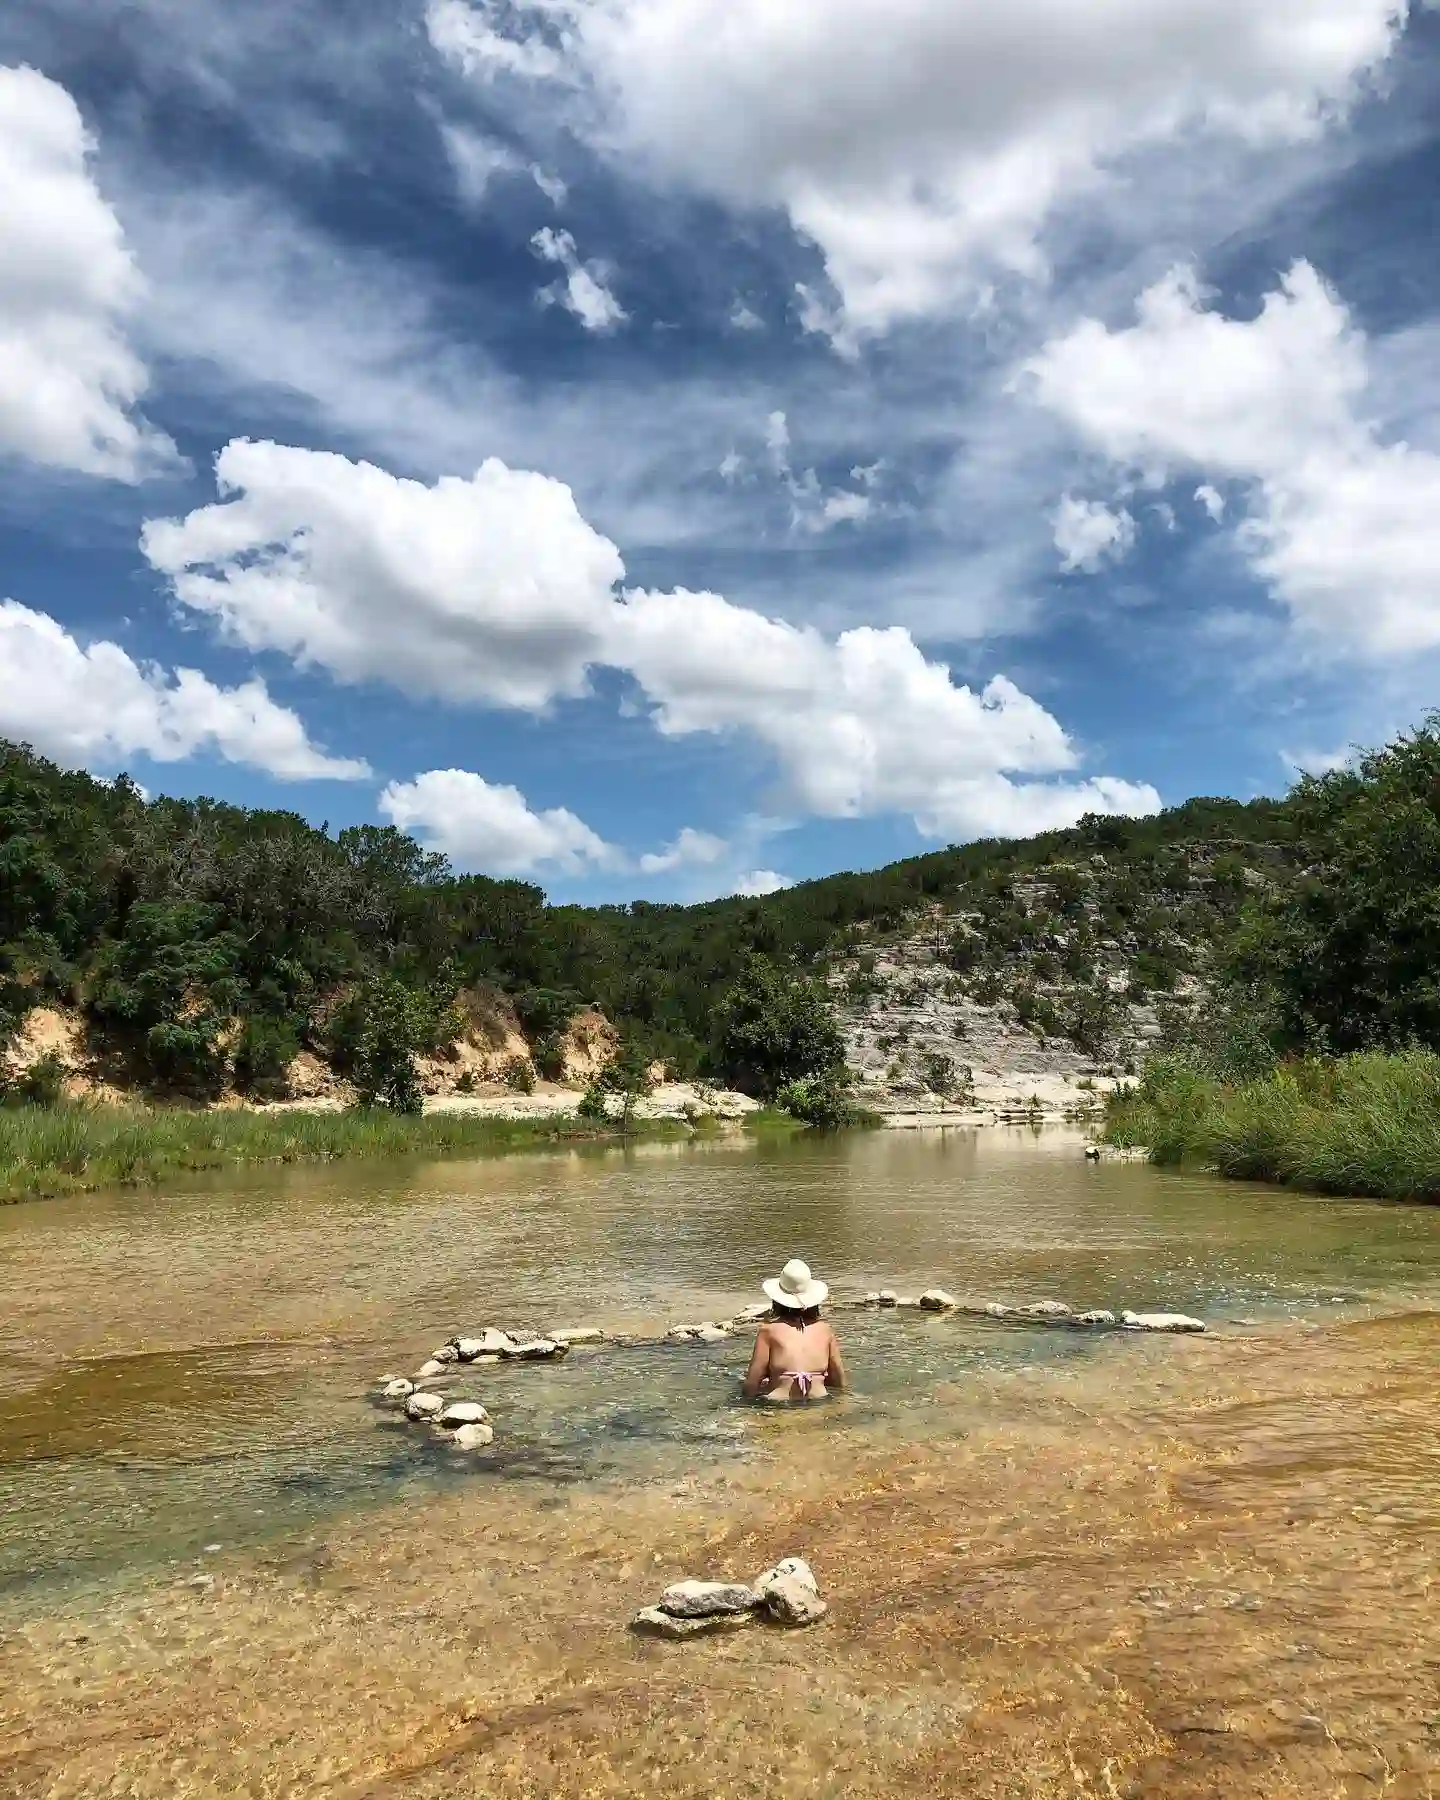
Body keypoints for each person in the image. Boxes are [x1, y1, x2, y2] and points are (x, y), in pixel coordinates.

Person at [742, 1258, 847, 1403]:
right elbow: (838, 1378)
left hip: (779, 1403)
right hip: (819, 1400)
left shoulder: (768, 1330)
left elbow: (753, 1380)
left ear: (777, 1300)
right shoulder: (825, 1330)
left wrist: (742, 1401)